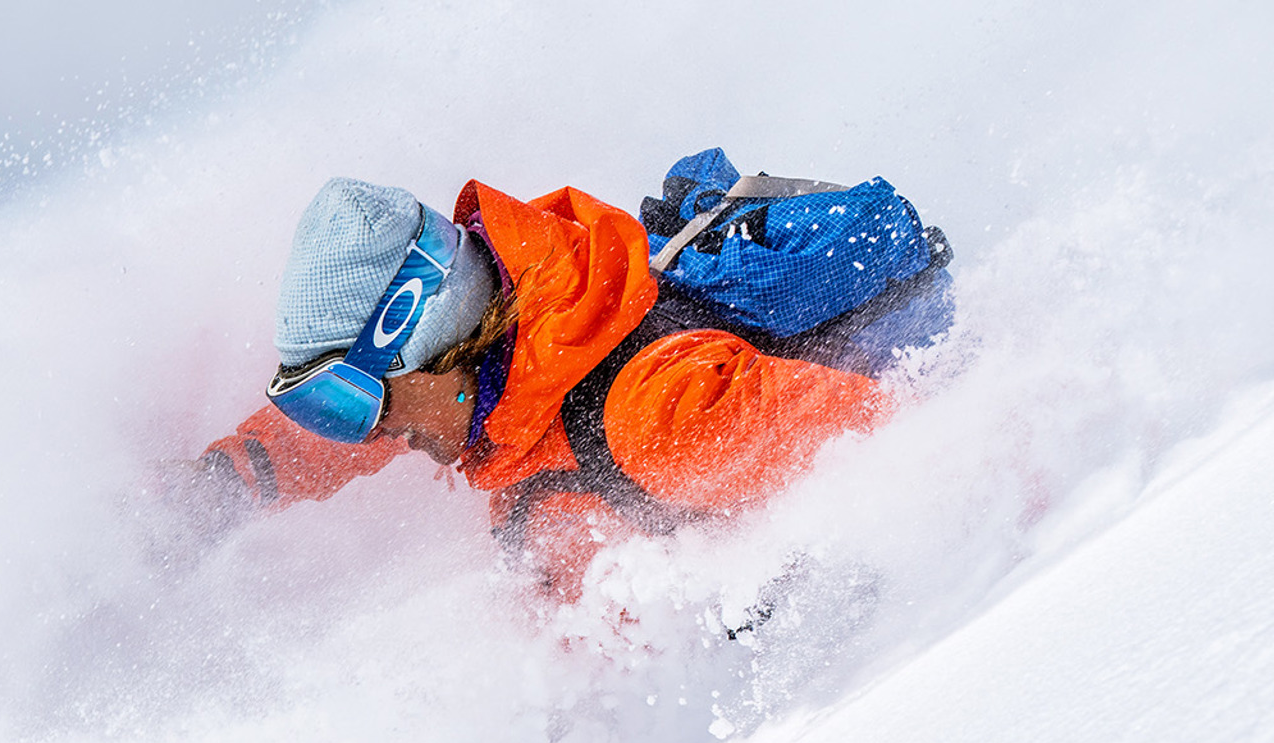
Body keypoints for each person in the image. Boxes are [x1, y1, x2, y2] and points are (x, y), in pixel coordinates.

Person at [185, 174, 899, 601]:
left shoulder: (660, 418)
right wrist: (221, 486)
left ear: (433, 339)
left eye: (347, 403)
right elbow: (342, 432)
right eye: (321, 405)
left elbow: (910, 454)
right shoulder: (492, 374)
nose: (364, 433)